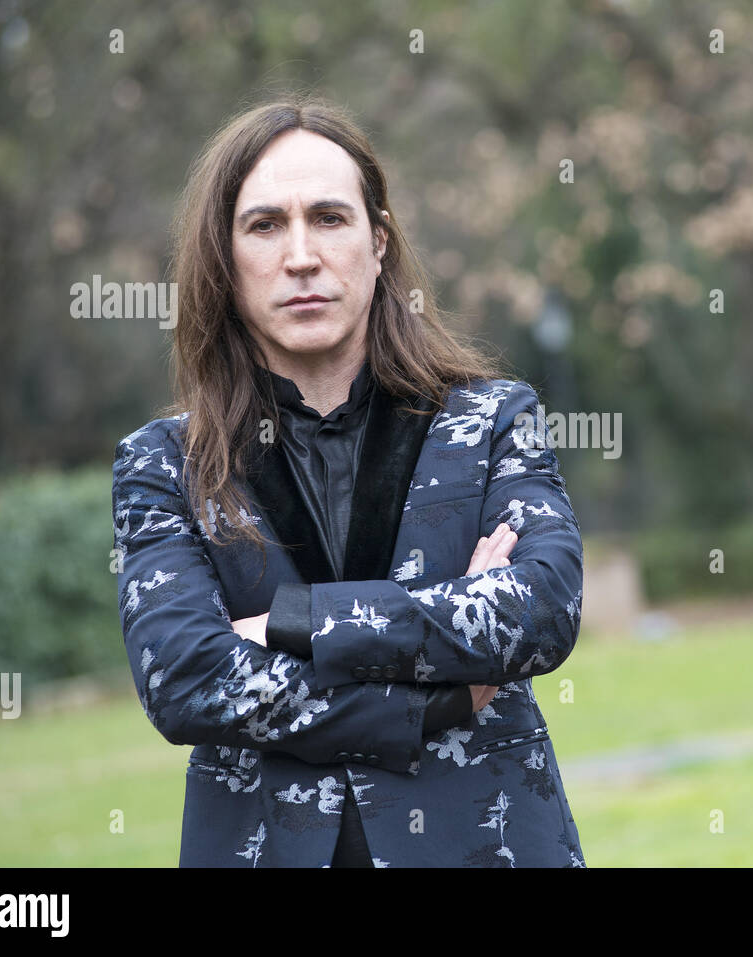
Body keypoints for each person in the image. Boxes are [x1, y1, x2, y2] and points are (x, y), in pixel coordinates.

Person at [111, 96, 586, 867]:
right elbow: (184, 677)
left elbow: (539, 608)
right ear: (225, 261)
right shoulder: (163, 464)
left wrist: (290, 622)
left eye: (329, 218)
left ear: (379, 242)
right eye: (265, 225)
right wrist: (442, 699)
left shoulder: (494, 418)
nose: (301, 255)